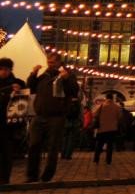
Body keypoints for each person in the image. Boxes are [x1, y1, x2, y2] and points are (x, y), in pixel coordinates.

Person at [25, 54, 80, 183]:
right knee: (33, 144)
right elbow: (31, 88)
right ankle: (32, 175)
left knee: (53, 147)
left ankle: (47, 176)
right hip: (39, 115)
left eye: (53, 62)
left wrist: (66, 79)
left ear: (59, 62)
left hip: (56, 116)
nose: (50, 64)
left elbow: (74, 91)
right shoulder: (44, 76)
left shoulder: (67, 75)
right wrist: (33, 74)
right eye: (48, 62)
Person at [0, 57, 28, 185]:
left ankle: (4, 178)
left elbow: (25, 93)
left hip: (9, 124)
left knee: (6, 151)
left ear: (10, 70)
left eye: (6, 69)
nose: (3, 72)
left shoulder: (17, 82)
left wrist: (19, 89)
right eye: (1, 69)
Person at [92, 96, 124, 164]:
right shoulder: (117, 107)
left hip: (102, 128)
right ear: (112, 99)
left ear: (106, 98)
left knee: (99, 144)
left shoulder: (101, 106)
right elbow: (120, 117)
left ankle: (96, 159)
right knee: (110, 145)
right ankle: (108, 160)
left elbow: (95, 115)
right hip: (112, 129)